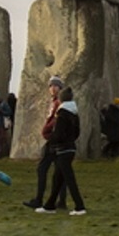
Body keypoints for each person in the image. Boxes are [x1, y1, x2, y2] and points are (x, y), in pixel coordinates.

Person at [23, 76, 65, 211]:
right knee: (60, 170)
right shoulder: (53, 102)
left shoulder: (59, 103)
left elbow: (56, 122)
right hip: (53, 140)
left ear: (60, 88)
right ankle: (61, 201)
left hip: (54, 140)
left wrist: (49, 132)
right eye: (51, 86)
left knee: (43, 169)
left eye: (55, 86)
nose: (52, 88)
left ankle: (39, 199)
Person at [43, 86, 87, 215]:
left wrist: (52, 139)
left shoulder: (62, 114)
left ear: (61, 100)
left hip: (62, 149)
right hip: (70, 148)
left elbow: (59, 133)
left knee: (69, 178)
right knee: (58, 178)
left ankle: (80, 206)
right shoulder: (74, 113)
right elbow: (77, 132)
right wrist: (70, 139)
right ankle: (49, 206)